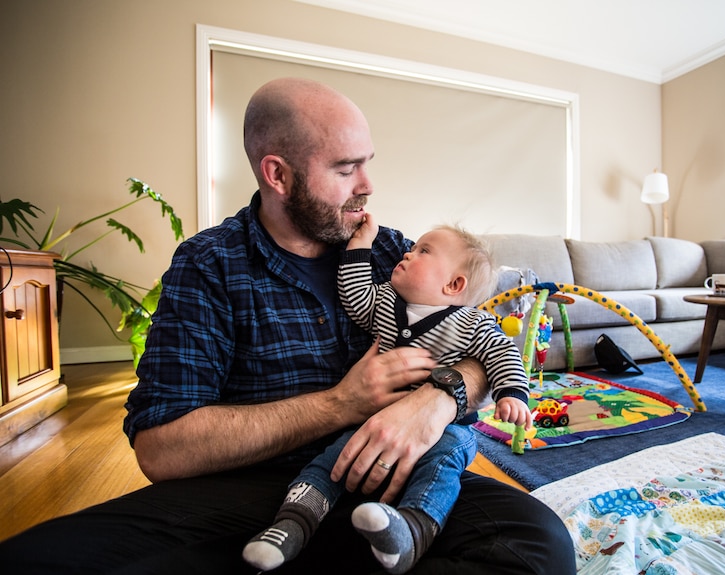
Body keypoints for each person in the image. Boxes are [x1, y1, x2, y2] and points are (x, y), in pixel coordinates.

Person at [0, 77, 576, 574]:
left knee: (538, 548)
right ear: (278, 174)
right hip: (259, 489)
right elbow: (161, 449)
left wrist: (439, 402)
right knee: (45, 562)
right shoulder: (209, 265)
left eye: (367, 163)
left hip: (395, 483)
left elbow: (478, 338)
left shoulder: (392, 252)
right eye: (346, 168)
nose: (367, 185)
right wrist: (339, 405)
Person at [243, 216, 532, 573]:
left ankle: (411, 530)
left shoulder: (472, 323)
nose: (408, 254)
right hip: (375, 420)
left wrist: (513, 393)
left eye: (423, 251)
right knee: (335, 458)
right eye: (412, 248)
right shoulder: (386, 301)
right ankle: (292, 523)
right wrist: (360, 246)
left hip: (446, 430)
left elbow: (502, 353)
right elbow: (354, 295)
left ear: (454, 284)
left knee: (443, 465)